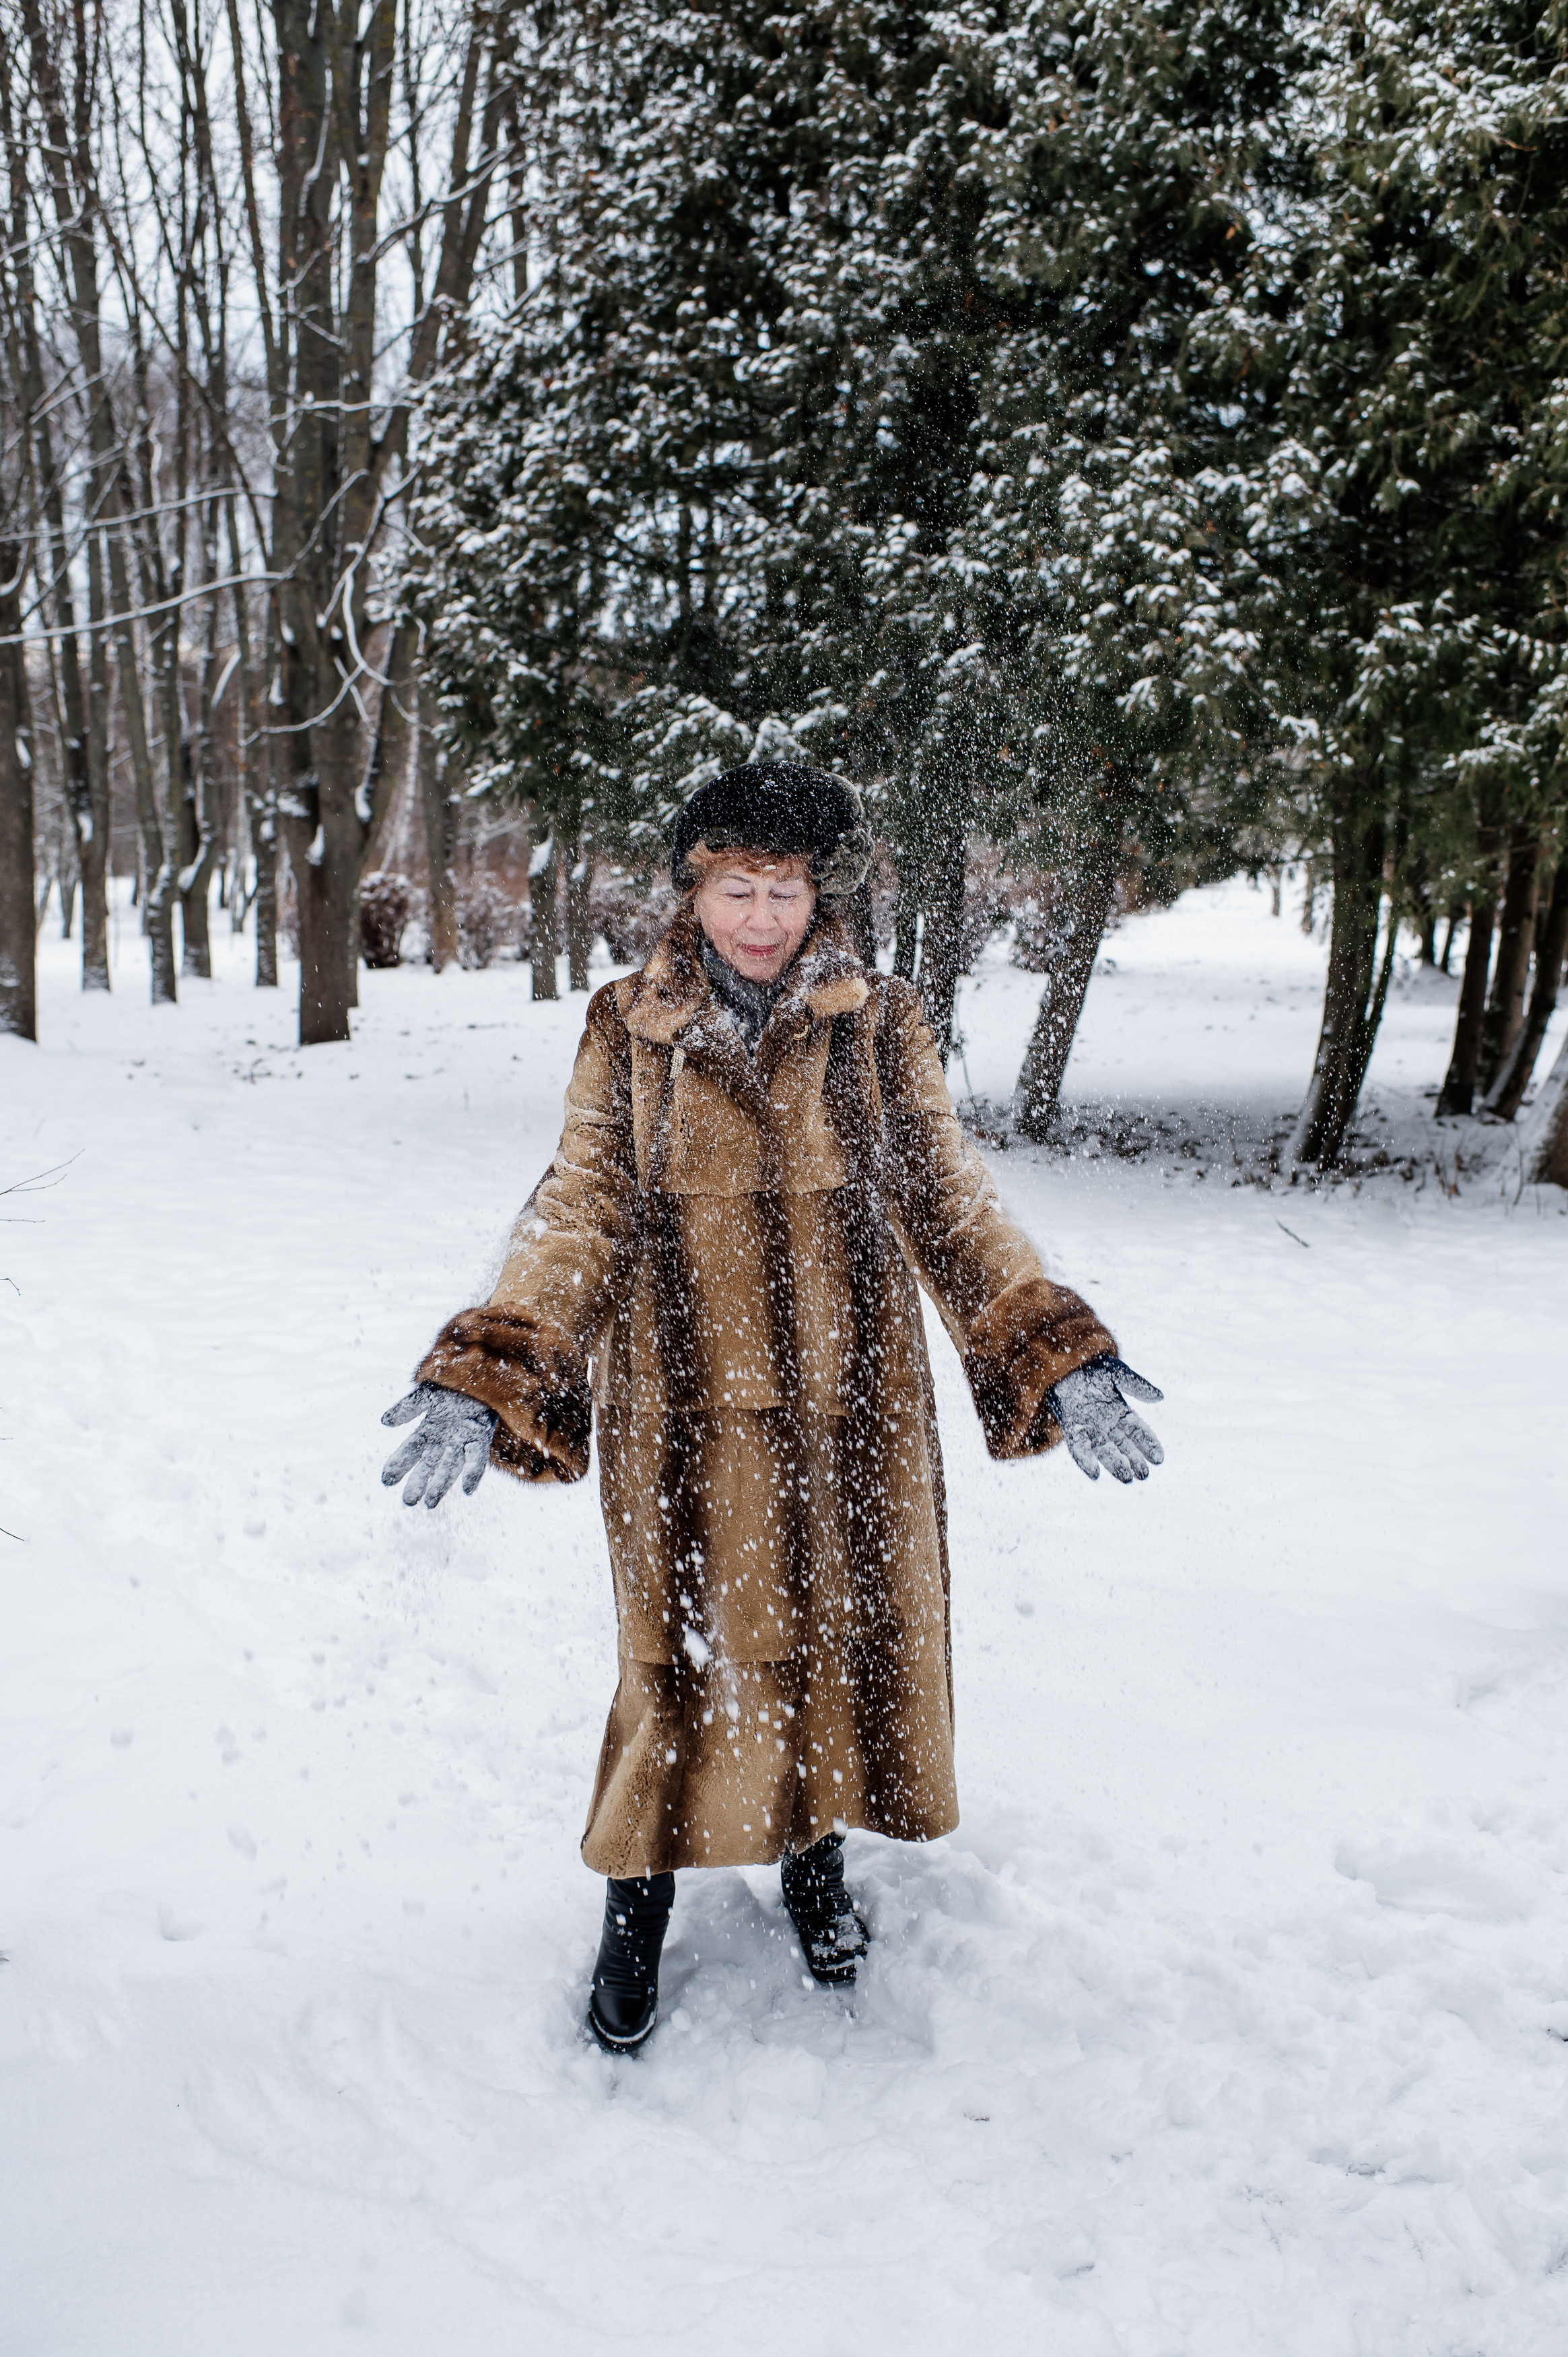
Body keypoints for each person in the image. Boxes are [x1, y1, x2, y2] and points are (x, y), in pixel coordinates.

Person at [380, 762, 1164, 2053]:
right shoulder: (627, 1025)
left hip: (854, 1404)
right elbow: (581, 1200)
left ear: (819, 892)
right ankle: (637, 1905)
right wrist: (496, 1358)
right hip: (682, 1413)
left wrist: (1048, 1344)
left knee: (833, 1637)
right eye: (736, 887)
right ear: (693, 889)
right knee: (679, 1655)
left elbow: (946, 1193)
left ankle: (811, 1863)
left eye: (784, 888)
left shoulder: (877, 1019)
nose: (760, 916)